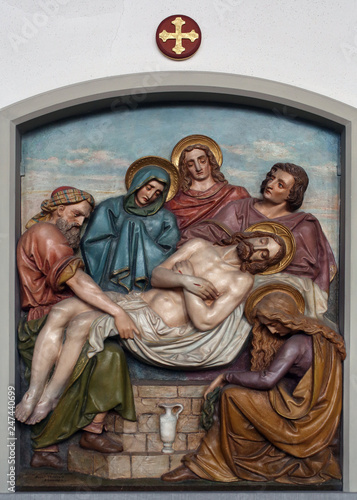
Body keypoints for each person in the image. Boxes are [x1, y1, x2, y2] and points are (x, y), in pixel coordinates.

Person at [17, 230, 286, 425]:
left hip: (156, 326)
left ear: (264, 263)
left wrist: (187, 282)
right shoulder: (199, 245)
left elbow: (205, 321)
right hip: (136, 301)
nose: (259, 249)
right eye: (262, 241)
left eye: (266, 254)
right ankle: (33, 391)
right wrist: (182, 278)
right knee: (61, 310)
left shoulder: (240, 281)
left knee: (80, 325)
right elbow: (158, 276)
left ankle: (50, 397)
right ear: (253, 234)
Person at [162, 285, 345, 485]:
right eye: (267, 326)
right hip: (316, 415)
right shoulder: (322, 337)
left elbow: (267, 380)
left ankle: (212, 464)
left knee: (231, 395)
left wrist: (225, 377)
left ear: (287, 316)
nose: (272, 330)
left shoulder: (296, 343)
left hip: (300, 417)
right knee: (239, 397)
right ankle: (211, 461)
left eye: (274, 323)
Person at [16, 186, 137, 468]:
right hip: (44, 320)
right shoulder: (46, 233)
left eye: (83, 218)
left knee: (110, 356)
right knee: (73, 367)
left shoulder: (57, 235)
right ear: (58, 208)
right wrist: (117, 311)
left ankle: (92, 431)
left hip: (66, 317)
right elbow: (75, 279)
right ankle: (45, 446)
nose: (79, 223)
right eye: (76, 214)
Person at [179, 163, 336, 294]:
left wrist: (254, 277)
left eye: (280, 185)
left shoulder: (302, 226)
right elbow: (204, 235)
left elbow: (303, 277)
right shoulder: (239, 208)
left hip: (265, 291)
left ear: (292, 194)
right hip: (220, 279)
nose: (270, 185)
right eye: (271, 178)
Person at [81, 161, 180, 293]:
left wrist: (137, 238)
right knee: (132, 224)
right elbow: (92, 243)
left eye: (157, 193)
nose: (150, 196)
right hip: (109, 281)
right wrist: (124, 244)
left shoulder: (166, 219)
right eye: (149, 187)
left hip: (147, 287)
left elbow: (168, 254)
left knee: (133, 224)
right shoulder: (109, 207)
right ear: (139, 182)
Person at [165, 142, 250, 231]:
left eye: (202, 161)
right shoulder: (175, 202)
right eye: (191, 165)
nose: (198, 168)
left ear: (210, 162)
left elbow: (251, 227)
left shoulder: (236, 193)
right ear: (185, 169)